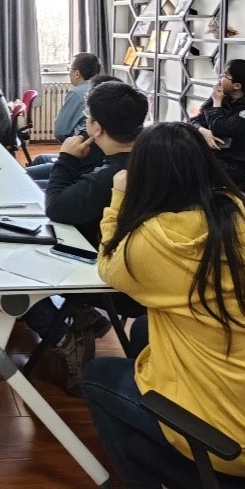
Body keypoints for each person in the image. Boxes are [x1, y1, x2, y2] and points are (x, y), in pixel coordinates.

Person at [84, 123, 245, 489]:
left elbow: (109, 265)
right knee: (144, 330)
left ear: (144, 175)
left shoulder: (157, 239)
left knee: (97, 377)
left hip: (238, 445)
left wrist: (120, 196)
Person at [22, 80, 148, 394]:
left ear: (97, 127)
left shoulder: (112, 175)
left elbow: (57, 208)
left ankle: (65, 336)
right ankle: (85, 317)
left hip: (112, 273)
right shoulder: (148, 156)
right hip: (142, 266)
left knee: (16, 271)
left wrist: (66, 158)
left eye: (88, 119)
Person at [188, 59, 245, 191]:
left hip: (239, 163)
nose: (219, 77)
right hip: (215, 155)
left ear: (237, 86)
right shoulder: (224, 97)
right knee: (175, 163)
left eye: (225, 75)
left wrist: (217, 103)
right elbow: (194, 120)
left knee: (188, 174)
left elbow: (220, 128)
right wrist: (202, 130)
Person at [26, 53, 103, 181]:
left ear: (77, 73)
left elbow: (60, 131)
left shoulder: (78, 93)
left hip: (80, 160)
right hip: (91, 158)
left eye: (69, 69)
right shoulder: (101, 89)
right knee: (40, 158)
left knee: (24, 175)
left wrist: (70, 146)